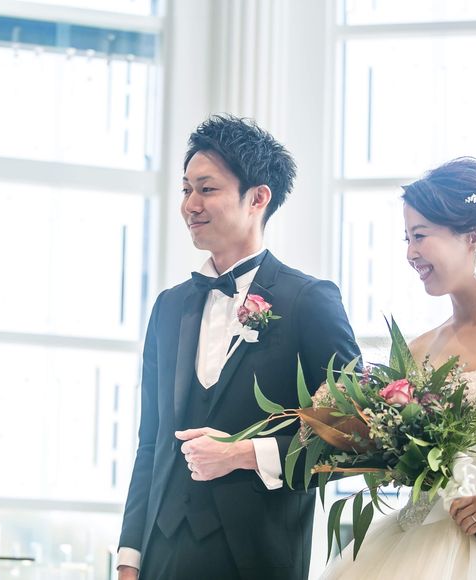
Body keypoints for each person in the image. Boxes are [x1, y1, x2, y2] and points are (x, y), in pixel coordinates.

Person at [117, 114, 361, 580]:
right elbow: (151, 441)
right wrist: (130, 556)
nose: (190, 205)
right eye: (185, 189)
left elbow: (354, 438)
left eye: (207, 189)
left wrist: (243, 453)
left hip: (258, 558)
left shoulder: (309, 301)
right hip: (162, 554)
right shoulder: (168, 307)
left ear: (258, 198)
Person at [321, 156, 476, 579]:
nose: (411, 253)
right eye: (407, 238)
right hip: (412, 544)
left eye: (421, 236)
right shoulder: (418, 349)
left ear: (475, 237)